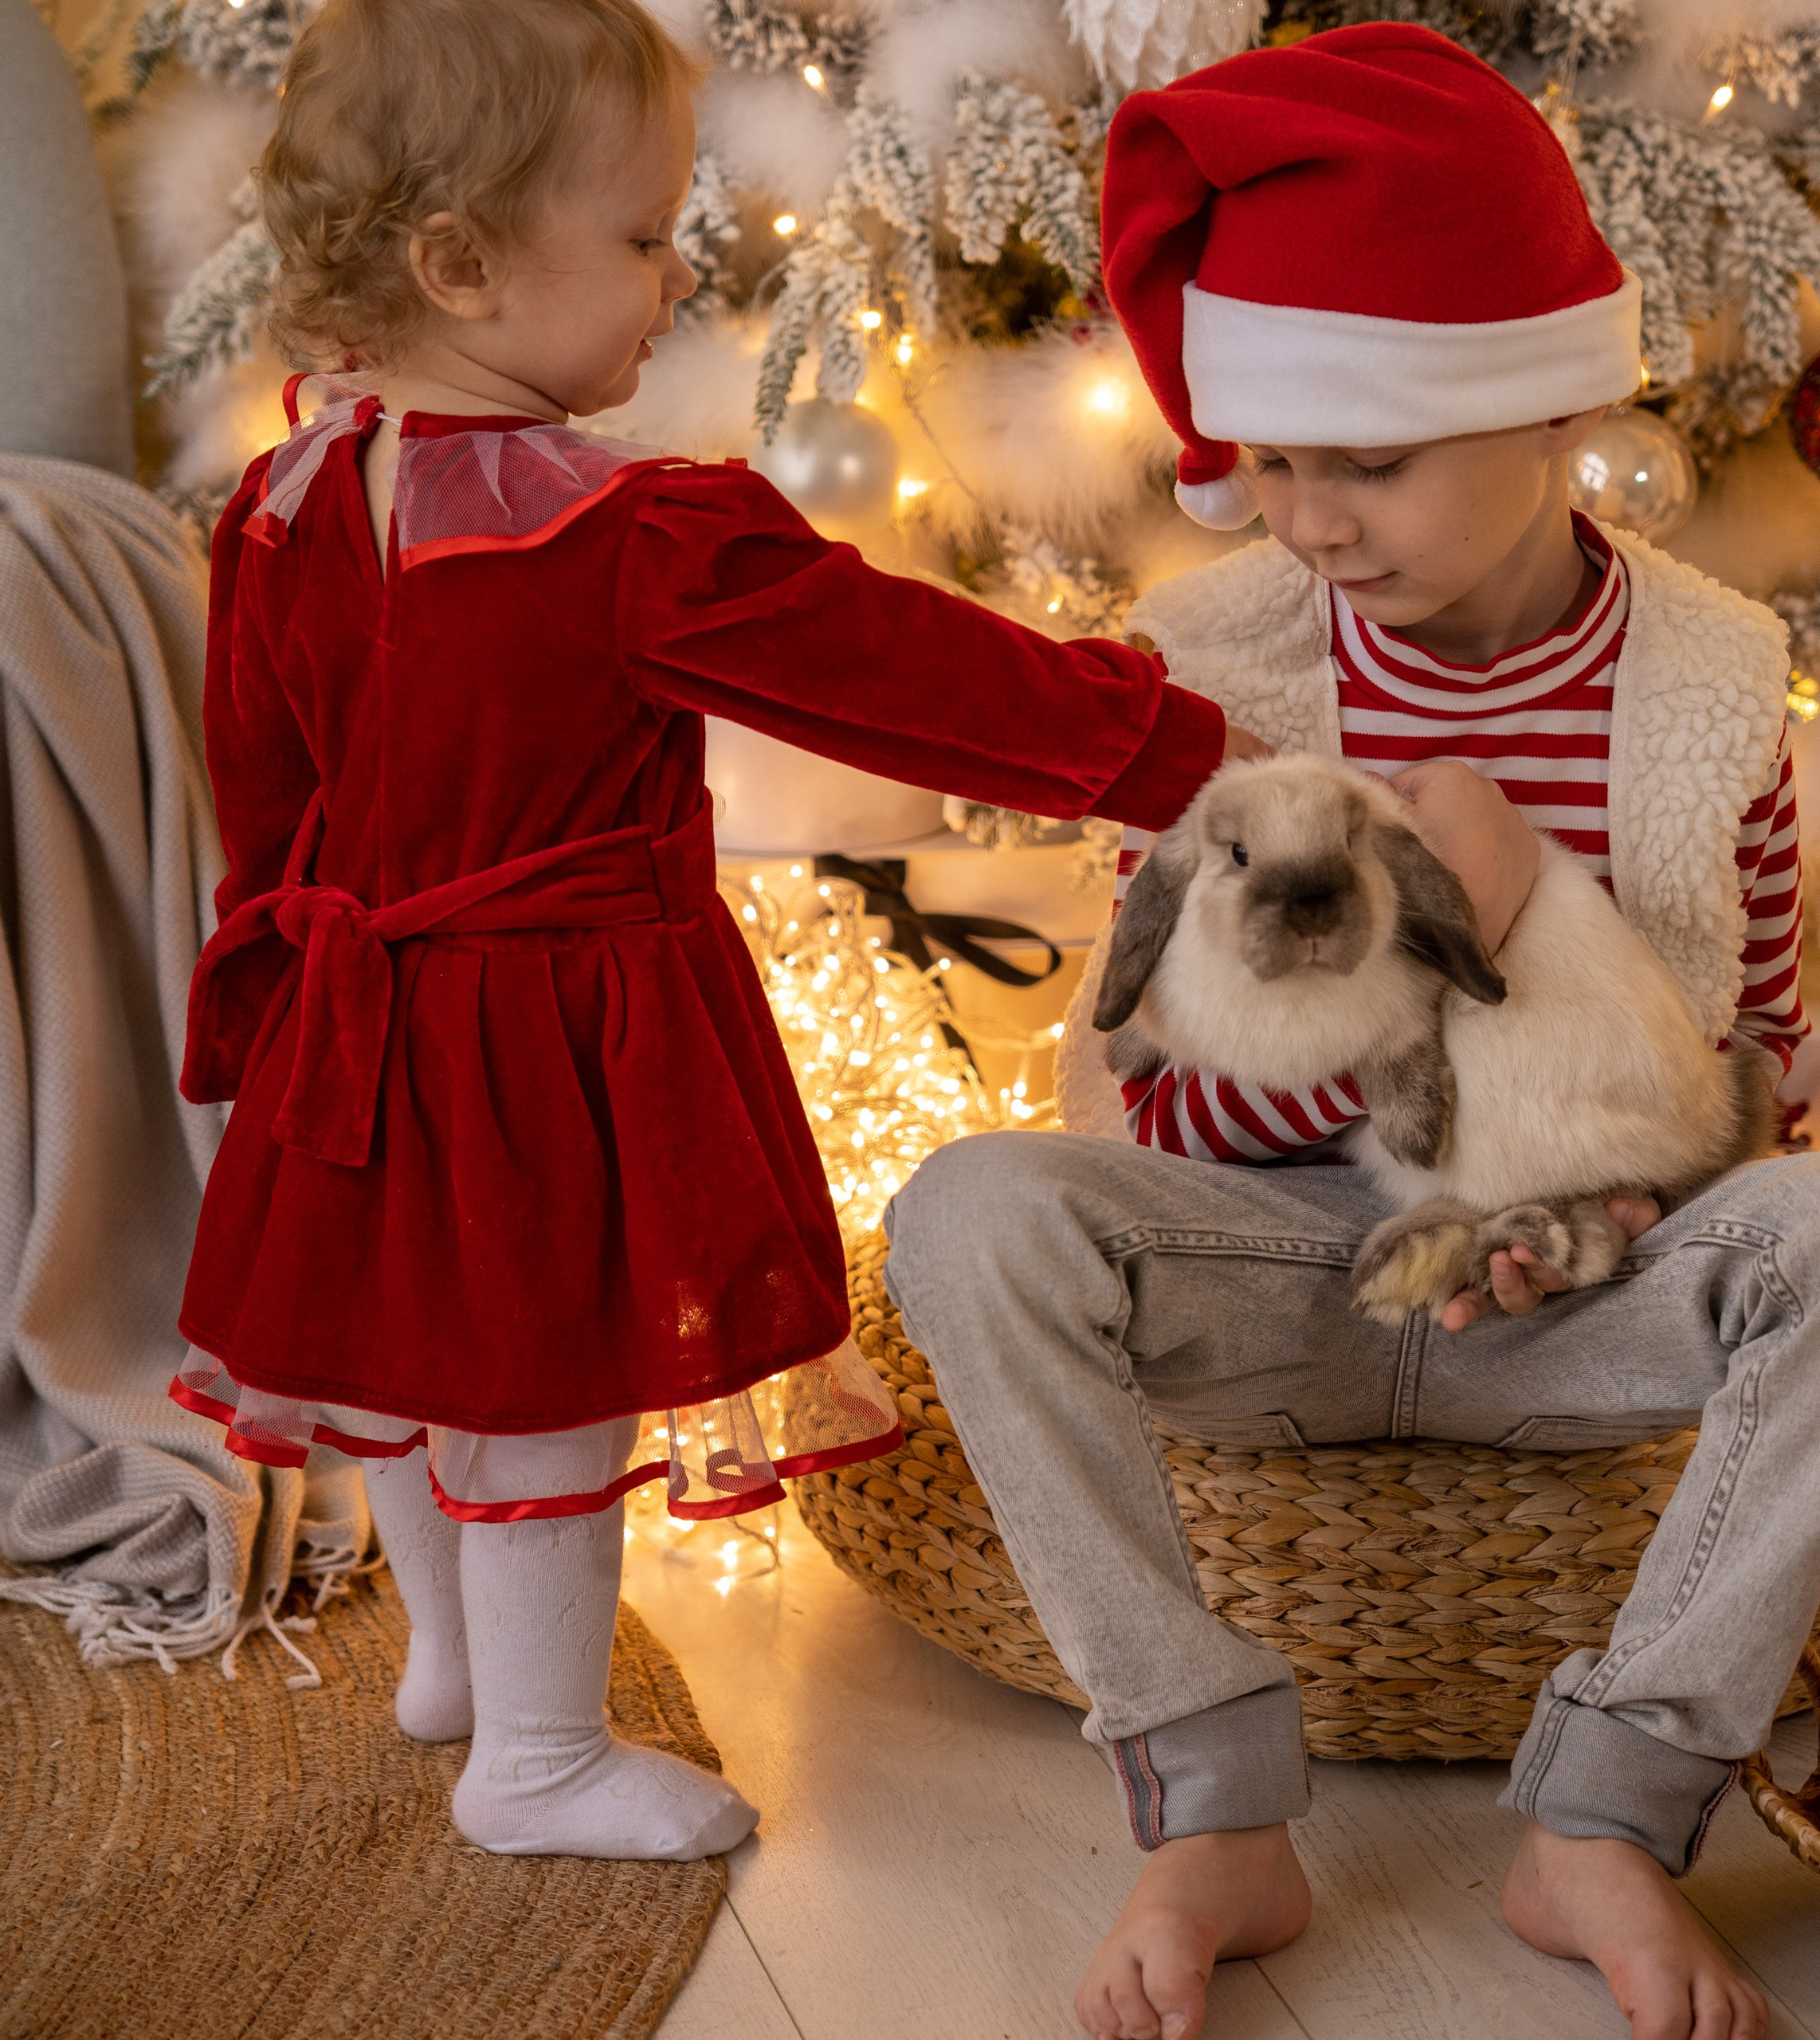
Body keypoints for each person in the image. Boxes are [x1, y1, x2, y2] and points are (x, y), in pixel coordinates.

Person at [882, 26, 1820, 2040]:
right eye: (1267, 461)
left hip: (1589, 1282)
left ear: (1556, 400)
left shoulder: (1702, 689)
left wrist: (1578, 1212)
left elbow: (1745, 1065)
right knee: (971, 1213)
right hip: (1282, 1267)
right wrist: (1433, 940)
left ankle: (1604, 1816)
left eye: (1366, 459)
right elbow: (1160, 1092)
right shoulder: (1220, 670)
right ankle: (1212, 1802)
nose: (1303, 517)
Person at [169, 0, 1257, 1864]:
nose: (679, 275)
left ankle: (452, 1657)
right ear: (462, 262)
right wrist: (1168, 744)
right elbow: (900, 676)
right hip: (547, 1035)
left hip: (351, 1028)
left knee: (412, 1350)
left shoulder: (281, 502)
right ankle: (533, 1751)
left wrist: (267, 1012)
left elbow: (265, 802)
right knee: (545, 1390)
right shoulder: (620, 534)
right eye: (643, 235)